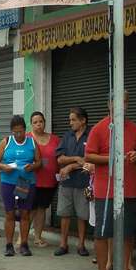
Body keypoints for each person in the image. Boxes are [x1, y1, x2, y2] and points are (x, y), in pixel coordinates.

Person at [85, 91, 136, 270]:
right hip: (106, 189)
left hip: (130, 188)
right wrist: (113, 158)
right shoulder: (99, 128)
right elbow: (89, 156)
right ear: (109, 104)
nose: (122, 105)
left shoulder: (134, 128)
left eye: (125, 101)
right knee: (102, 233)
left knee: (128, 232)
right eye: (117, 101)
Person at [0, 115, 41, 256]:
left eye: (21, 131)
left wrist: (32, 166)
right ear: (11, 131)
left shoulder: (32, 142)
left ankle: (24, 244)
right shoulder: (6, 142)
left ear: (25, 130)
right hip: (9, 182)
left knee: (25, 213)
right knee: (10, 213)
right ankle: (9, 245)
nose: (18, 135)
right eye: (15, 132)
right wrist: (4, 167)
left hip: (25, 182)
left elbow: (39, 162)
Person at [54, 107, 91, 256]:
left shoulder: (91, 135)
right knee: (64, 214)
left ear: (83, 121)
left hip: (84, 181)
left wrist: (70, 166)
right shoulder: (67, 135)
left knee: (83, 215)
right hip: (66, 182)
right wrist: (75, 159)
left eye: (73, 120)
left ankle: (81, 245)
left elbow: (89, 160)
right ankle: (63, 244)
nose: (70, 123)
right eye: (70, 120)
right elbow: (60, 158)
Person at [27, 111, 60, 248]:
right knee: (29, 209)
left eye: (41, 121)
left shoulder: (55, 139)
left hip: (49, 180)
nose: (38, 124)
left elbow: (59, 158)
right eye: (35, 122)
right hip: (30, 180)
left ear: (45, 122)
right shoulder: (27, 138)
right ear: (31, 124)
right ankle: (22, 237)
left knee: (41, 209)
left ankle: (38, 237)